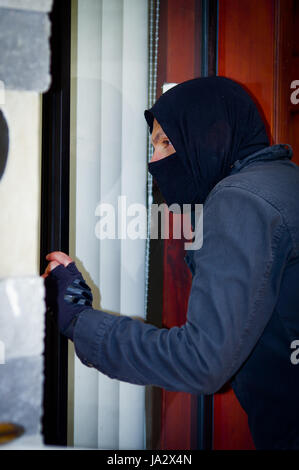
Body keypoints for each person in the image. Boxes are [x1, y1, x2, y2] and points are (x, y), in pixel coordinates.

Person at [43, 76, 299, 450]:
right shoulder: (283, 180)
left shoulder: (239, 201)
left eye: (166, 142)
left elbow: (203, 362)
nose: (155, 161)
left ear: (211, 131)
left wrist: (79, 319)